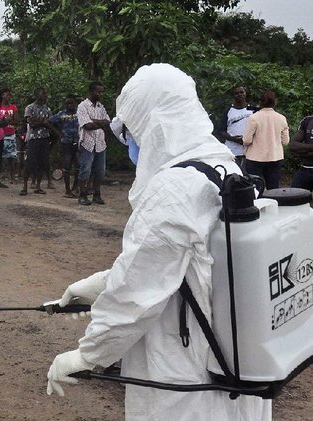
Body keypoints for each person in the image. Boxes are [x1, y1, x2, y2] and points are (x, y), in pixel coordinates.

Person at [46, 64, 270, 420]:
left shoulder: (173, 189)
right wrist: (99, 284)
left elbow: (136, 293)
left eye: (134, 130)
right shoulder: (225, 166)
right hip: (231, 364)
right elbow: (183, 263)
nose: (133, 142)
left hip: (186, 371)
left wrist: (88, 354)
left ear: (155, 124)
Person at [242, 90, 289, 190]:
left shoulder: (254, 118)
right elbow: (285, 141)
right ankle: (273, 205)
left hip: (255, 158)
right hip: (275, 157)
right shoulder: (281, 118)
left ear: (261, 102)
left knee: (255, 188)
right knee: (274, 188)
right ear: (274, 102)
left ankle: (258, 205)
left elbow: (246, 140)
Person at [76, 82, 111, 205]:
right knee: (85, 169)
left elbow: (108, 123)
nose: (100, 94)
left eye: (101, 92)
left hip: (100, 143)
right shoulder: (82, 106)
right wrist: (100, 123)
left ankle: (97, 194)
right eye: (98, 92)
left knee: (100, 171)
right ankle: (82, 195)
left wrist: (94, 121)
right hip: (87, 142)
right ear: (91, 91)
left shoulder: (101, 107)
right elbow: (87, 125)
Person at [21, 88, 56, 195]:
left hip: (44, 138)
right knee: (30, 162)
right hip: (33, 138)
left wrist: (41, 123)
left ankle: (37, 186)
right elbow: (31, 123)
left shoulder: (47, 109)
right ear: (37, 95)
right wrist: (44, 123)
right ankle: (25, 186)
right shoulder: (30, 108)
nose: (45, 95)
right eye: (43, 93)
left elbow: (49, 124)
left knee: (42, 162)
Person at [49, 95, 80, 198]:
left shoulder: (80, 113)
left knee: (78, 166)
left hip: (78, 142)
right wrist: (57, 132)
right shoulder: (61, 114)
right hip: (66, 143)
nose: (69, 105)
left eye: (71, 103)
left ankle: (75, 187)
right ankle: (67, 190)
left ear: (75, 103)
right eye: (67, 103)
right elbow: (50, 121)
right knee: (66, 167)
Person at [219, 86, 258, 166]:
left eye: (241, 92)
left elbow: (260, 129)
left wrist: (248, 139)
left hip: (250, 151)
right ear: (233, 96)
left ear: (245, 94)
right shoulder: (228, 111)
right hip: (232, 151)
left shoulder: (253, 110)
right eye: (236, 93)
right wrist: (234, 139)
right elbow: (221, 131)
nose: (239, 94)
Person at [0, 88, 19, 183]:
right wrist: (5, 120)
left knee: (11, 157)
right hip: (0, 134)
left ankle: (12, 177)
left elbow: (17, 121)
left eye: (9, 95)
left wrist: (10, 120)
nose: (8, 97)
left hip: (10, 133)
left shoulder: (13, 107)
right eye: (6, 95)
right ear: (2, 95)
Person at [289, 114, 313, 190]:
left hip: (306, 160)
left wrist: (303, 152)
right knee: (293, 196)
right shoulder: (307, 120)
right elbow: (293, 145)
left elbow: (297, 148)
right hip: (306, 169)